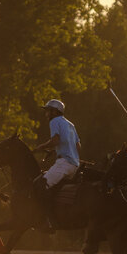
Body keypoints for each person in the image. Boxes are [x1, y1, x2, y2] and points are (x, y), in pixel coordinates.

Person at [33, 99, 81, 230]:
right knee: (52, 186)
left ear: (55, 111)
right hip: (75, 165)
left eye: (48, 111)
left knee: (40, 186)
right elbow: (78, 146)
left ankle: (47, 220)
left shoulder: (55, 121)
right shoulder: (71, 124)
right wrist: (57, 150)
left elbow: (55, 140)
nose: (46, 114)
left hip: (64, 163)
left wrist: (41, 147)